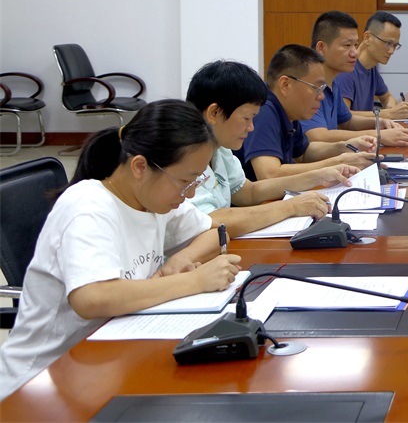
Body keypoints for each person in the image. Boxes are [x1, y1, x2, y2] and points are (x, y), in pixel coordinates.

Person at [0, 100, 242, 399]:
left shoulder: (151, 199)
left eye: (196, 181)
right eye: (184, 181)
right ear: (140, 166)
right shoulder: (88, 207)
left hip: (109, 356)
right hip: (42, 381)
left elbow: (212, 231)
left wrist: (181, 259)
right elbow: (92, 298)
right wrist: (194, 281)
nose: (190, 193)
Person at [186, 60, 360, 237]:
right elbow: (210, 221)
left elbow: (248, 192)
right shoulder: (183, 155)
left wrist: (318, 176)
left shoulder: (219, 149)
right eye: (246, 118)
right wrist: (291, 207)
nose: (251, 127)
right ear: (214, 113)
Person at [235, 44, 376, 181]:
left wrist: (345, 146)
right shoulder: (263, 109)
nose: (321, 96)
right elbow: (269, 174)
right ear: (285, 85)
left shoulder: (288, 110)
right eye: (316, 87)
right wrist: (338, 162)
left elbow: (304, 153)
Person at [302, 11, 408, 148]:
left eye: (355, 45)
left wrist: (379, 122)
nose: (355, 52)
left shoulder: (332, 83)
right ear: (321, 47)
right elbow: (318, 136)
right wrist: (378, 134)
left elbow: (347, 121)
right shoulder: (305, 85)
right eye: (347, 45)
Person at [338, 11, 408, 121]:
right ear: (367, 37)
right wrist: (389, 114)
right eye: (388, 43)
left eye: (395, 45)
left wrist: (392, 109)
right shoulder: (346, 69)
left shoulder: (371, 69)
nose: (391, 51)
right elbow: (343, 116)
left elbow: (387, 97)